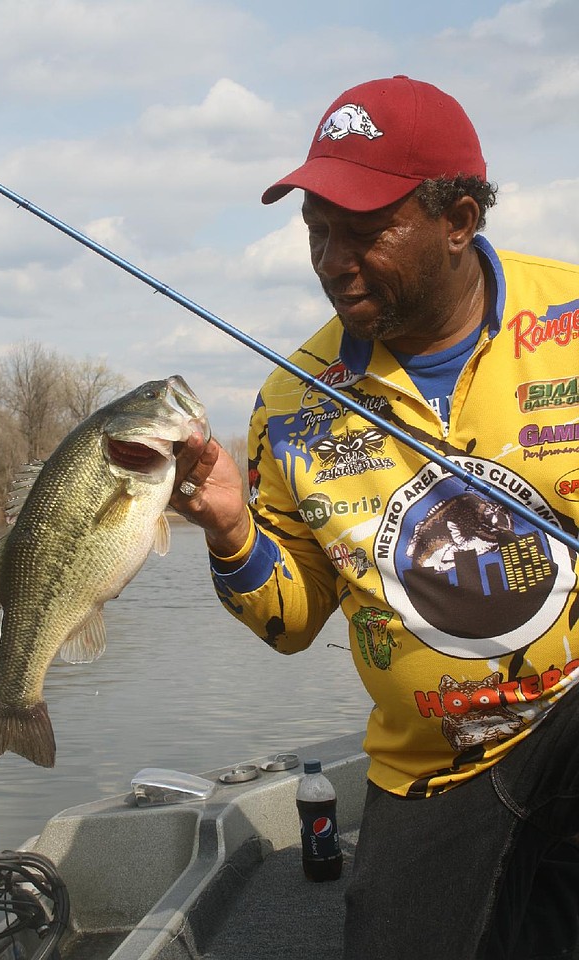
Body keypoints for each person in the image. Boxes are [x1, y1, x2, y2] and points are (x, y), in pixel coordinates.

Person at [169, 76, 579, 959]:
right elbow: (294, 619)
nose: (331, 258)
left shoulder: (573, 320)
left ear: (459, 219)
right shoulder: (289, 403)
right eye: (317, 229)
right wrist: (232, 531)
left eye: (362, 232)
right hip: (432, 768)